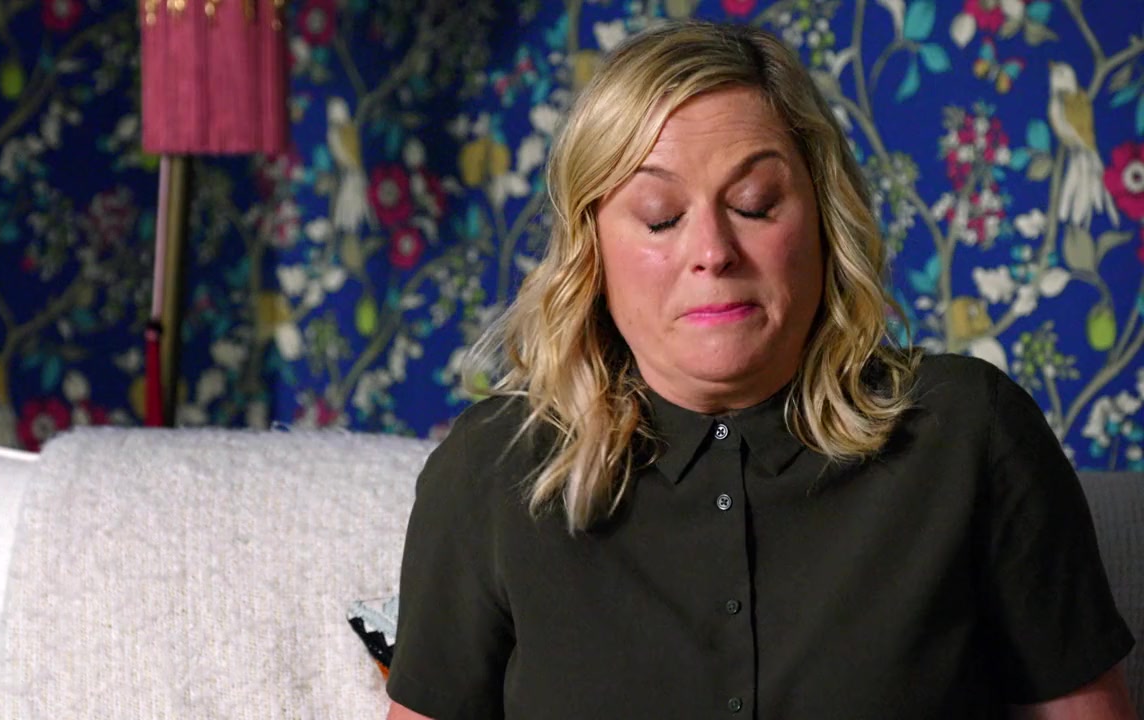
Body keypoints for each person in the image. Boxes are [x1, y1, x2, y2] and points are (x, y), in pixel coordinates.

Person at [384, 20, 1137, 720]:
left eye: (754, 203)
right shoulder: (492, 468)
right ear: (593, 251)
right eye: (660, 216)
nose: (713, 251)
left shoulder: (969, 431)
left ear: (822, 220)